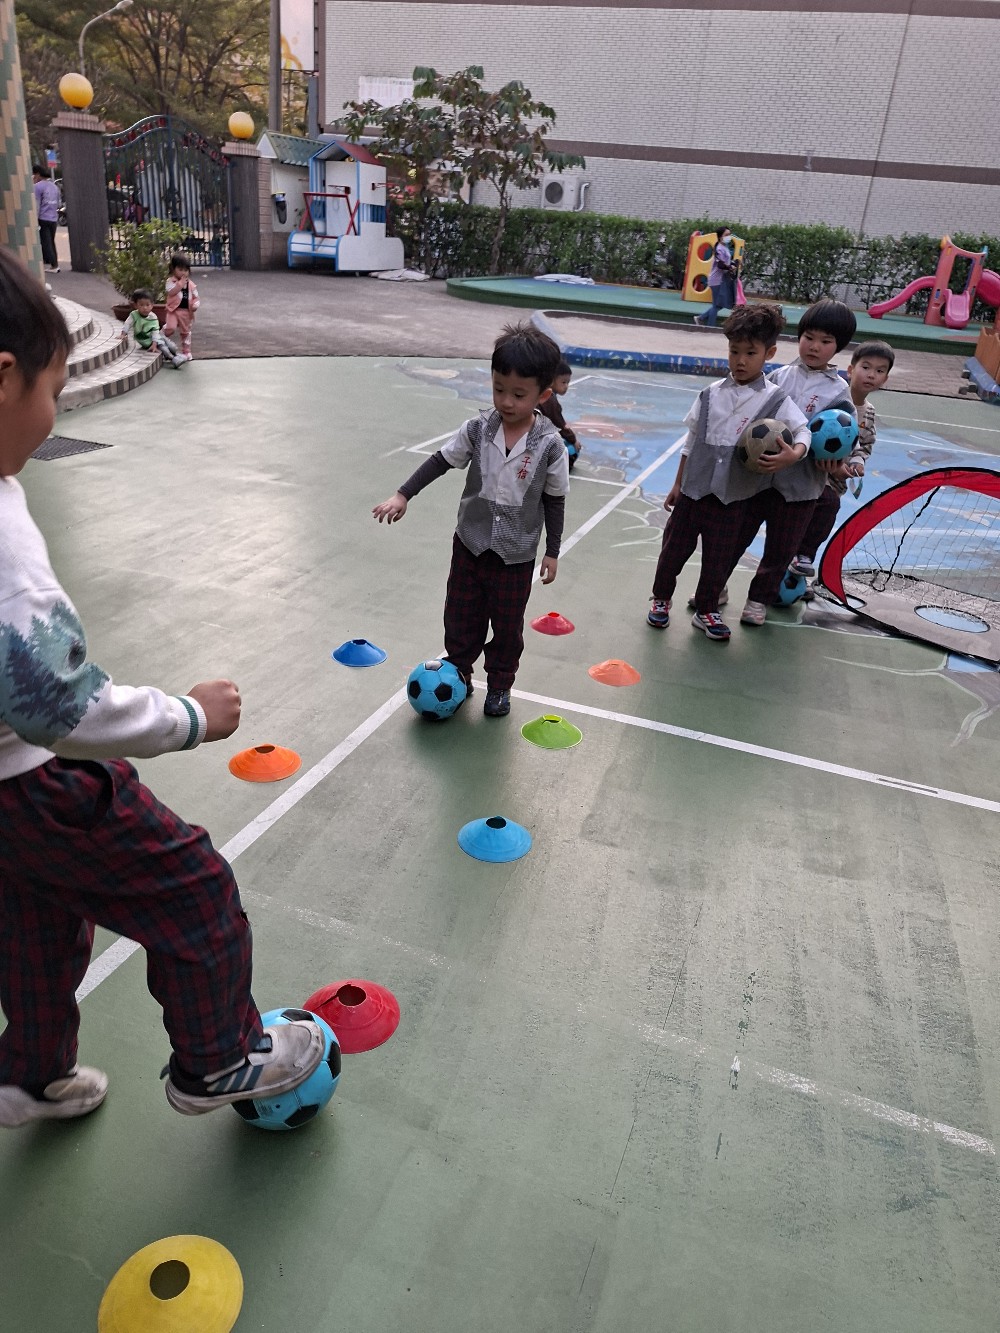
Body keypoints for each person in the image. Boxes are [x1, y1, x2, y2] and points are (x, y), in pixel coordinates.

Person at [0, 249, 324, 1127]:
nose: (53, 411)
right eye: (52, 390)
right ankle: (217, 1057)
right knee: (192, 889)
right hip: (34, 780)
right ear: (3, 379)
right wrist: (187, 715)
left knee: (36, 916)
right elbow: (56, 706)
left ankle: (29, 1073)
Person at [373, 322, 569, 717]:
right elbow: (440, 460)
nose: (506, 401)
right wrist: (403, 494)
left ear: (543, 395)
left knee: (507, 627)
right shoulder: (478, 429)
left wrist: (552, 550)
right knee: (461, 614)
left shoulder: (550, 446)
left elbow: (555, 499)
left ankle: (499, 685)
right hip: (470, 544)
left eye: (518, 394)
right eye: (498, 389)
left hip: (515, 556)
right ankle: (459, 672)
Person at [646, 303, 810, 642]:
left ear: (769, 353)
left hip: (734, 499)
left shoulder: (776, 399)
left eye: (750, 353)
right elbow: (691, 441)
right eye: (734, 351)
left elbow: (802, 430)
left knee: (718, 560)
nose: (740, 360)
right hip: (693, 493)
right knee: (673, 551)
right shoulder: (709, 394)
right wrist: (677, 483)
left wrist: (792, 454)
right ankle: (661, 598)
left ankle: (707, 609)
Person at [734, 298, 858, 626]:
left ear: (838, 347)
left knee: (781, 549)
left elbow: (847, 436)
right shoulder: (778, 376)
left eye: (825, 341)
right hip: (759, 477)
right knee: (734, 537)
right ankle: (714, 587)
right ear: (799, 336)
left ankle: (757, 600)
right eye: (809, 337)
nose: (814, 346)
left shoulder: (839, 391)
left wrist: (836, 463)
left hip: (802, 487)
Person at [790, 339, 894, 579]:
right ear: (850, 370)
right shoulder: (833, 396)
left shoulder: (868, 413)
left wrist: (856, 464)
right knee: (811, 511)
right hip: (810, 471)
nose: (871, 375)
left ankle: (802, 562)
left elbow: (864, 445)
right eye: (865, 367)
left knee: (825, 513)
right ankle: (796, 557)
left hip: (836, 480)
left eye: (879, 371)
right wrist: (825, 462)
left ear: (885, 379)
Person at [120, 289, 186, 368]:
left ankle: (177, 355)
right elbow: (127, 324)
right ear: (136, 305)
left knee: (172, 346)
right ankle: (173, 359)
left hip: (156, 338)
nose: (145, 308)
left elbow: (155, 332)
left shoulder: (153, 317)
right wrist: (123, 334)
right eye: (141, 305)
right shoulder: (134, 315)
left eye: (147, 305)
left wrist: (154, 344)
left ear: (152, 305)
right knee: (164, 349)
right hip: (147, 341)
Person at [538, 358, 581, 469]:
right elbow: (559, 424)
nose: (566, 386)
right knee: (571, 450)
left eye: (568, 383)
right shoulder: (549, 400)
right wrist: (573, 440)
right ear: (551, 380)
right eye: (563, 382)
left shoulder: (543, 392)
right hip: (536, 440)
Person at [693, 226, 738, 328]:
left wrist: (732, 264)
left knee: (719, 304)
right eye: (726, 235)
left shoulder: (724, 247)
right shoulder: (719, 249)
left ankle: (701, 318)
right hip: (716, 280)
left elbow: (726, 262)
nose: (729, 237)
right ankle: (710, 326)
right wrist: (730, 267)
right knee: (717, 305)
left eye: (729, 234)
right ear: (720, 236)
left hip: (720, 280)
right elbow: (720, 265)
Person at [163, 254, 200, 361]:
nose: (183, 272)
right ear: (173, 269)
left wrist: (195, 305)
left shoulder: (191, 285)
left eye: (185, 270)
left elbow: (196, 297)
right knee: (170, 328)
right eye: (180, 269)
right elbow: (171, 292)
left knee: (185, 332)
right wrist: (180, 284)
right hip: (173, 311)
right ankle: (160, 338)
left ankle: (186, 351)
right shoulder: (170, 282)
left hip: (186, 312)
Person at [32, 166, 60, 274]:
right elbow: (58, 203)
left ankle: (54, 265)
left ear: (38, 174)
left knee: (46, 242)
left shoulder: (37, 187)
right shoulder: (54, 187)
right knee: (51, 242)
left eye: (34, 175)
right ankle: (54, 264)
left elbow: (36, 204)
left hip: (43, 218)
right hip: (53, 218)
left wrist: (35, 218)